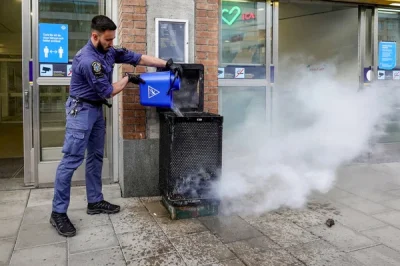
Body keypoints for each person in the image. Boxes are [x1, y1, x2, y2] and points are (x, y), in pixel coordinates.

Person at [50, 15, 183, 237]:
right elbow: (107, 91)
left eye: (113, 39)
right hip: (80, 111)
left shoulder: (109, 50)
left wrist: (167, 64)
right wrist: (128, 79)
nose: (112, 43)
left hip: (95, 110)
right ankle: (58, 212)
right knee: (71, 161)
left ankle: (95, 201)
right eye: (108, 39)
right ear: (95, 36)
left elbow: (137, 57)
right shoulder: (87, 60)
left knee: (96, 157)